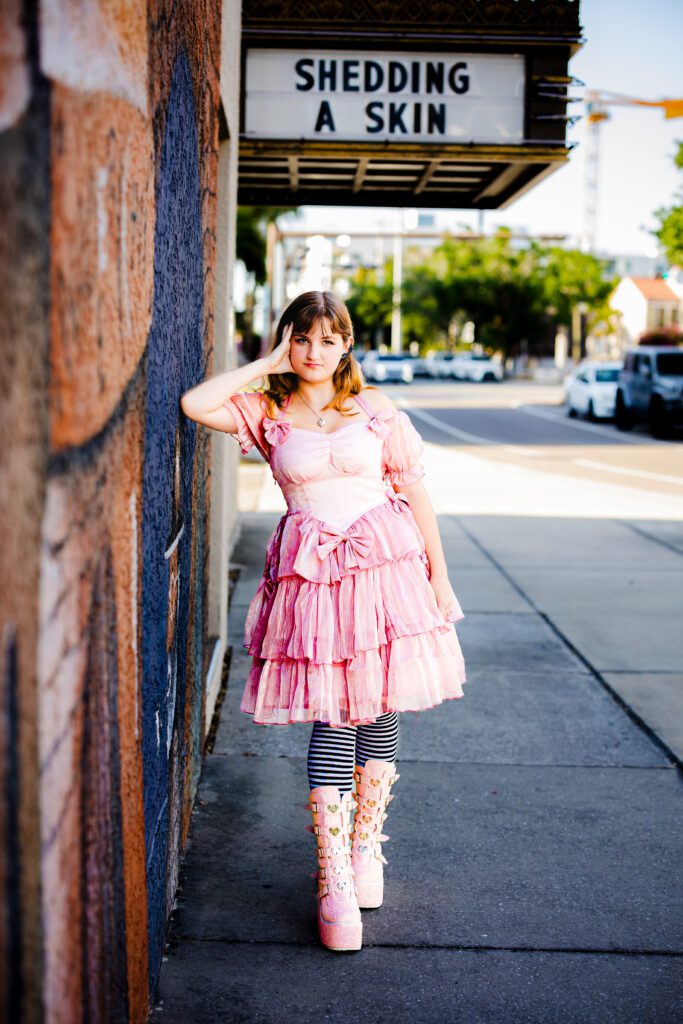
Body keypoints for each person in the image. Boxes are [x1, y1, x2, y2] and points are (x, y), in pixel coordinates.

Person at [180, 290, 466, 952]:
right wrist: (265, 362)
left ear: (346, 345)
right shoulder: (266, 412)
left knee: (380, 709)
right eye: (301, 338)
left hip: (386, 567)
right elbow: (195, 404)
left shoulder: (374, 410)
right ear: (288, 341)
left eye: (327, 340)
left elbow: (414, 491)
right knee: (334, 715)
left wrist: (438, 573)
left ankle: (366, 848)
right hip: (315, 580)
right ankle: (333, 877)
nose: (314, 352)